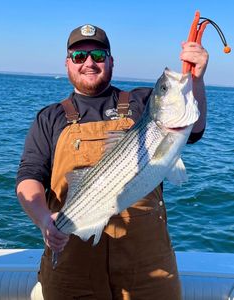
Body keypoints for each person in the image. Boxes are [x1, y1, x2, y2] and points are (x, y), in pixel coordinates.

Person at [16, 24, 208, 300]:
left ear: (111, 60)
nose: (89, 63)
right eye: (79, 57)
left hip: (148, 267)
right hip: (73, 267)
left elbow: (196, 129)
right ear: (67, 63)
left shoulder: (142, 102)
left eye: (98, 54)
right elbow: (29, 175)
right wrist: (45, 220)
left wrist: (197, 79)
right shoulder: (50, 118)